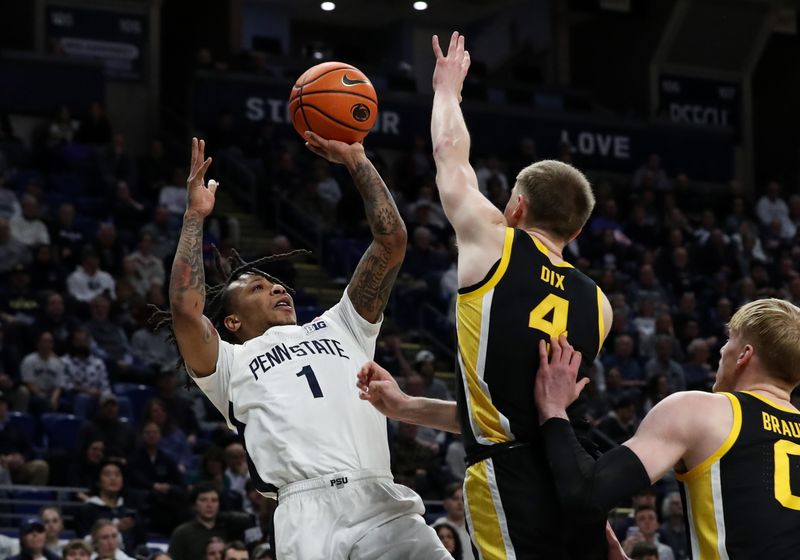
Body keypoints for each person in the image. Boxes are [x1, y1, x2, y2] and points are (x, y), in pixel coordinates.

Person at [357, 31, 611, 559]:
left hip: (507, 477)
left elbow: (450, 155)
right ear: (577, 232)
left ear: (515, 207)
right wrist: (407, 407)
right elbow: (518, 409)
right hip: (571, 478)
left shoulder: (493, 241)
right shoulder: (600, 305)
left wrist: (447, 90)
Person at [159, 136, 448, 560]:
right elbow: (186, 309)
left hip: (379, 498)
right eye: (257, 287)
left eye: (276, 283)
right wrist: (194, 218)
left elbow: (391, 241)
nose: (276, 287)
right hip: (304, 513)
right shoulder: (228, 363)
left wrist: (356, 159)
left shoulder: (341, 324)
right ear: (232, 322)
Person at [534, 299, 800, 559]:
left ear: (744, 355)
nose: (721, 350)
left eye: (730, 340)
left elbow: (586, 496)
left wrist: (555, 410)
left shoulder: (701, 410)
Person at [167, 483, 251, 560]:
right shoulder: (182, 533)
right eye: (203, 500)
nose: (209, 505)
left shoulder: (230, 528)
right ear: (194, 505)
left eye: (214, 500)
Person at [431, 483, 474, 560]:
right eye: (455, 498)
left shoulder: (474, 528)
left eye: (463, 499)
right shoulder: (434, 530)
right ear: (445, 503)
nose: (460, 503)